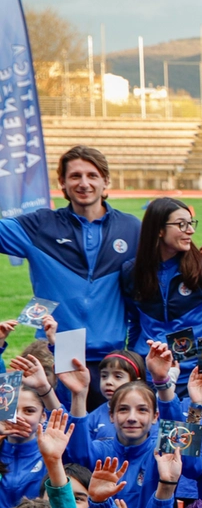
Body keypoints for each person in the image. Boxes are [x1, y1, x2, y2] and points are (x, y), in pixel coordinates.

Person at [0, 147, 141, 410]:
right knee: (56, 435)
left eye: (92, 175)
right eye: (75, 176)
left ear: (105, 181)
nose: (84, 183)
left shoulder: (131, 228)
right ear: (62, 183)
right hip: (57, 353)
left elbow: (167, 257)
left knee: (108, 440)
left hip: (111, 360)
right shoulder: (41, 226)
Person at [120, 197, 202, 395]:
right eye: (181, 225)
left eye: (191, 224)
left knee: (194, 425)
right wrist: (138, 364)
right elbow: (135, 322)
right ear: (159, 229)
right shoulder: (131, 272)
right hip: (155, 376)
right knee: (163, 425)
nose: (190, 230)